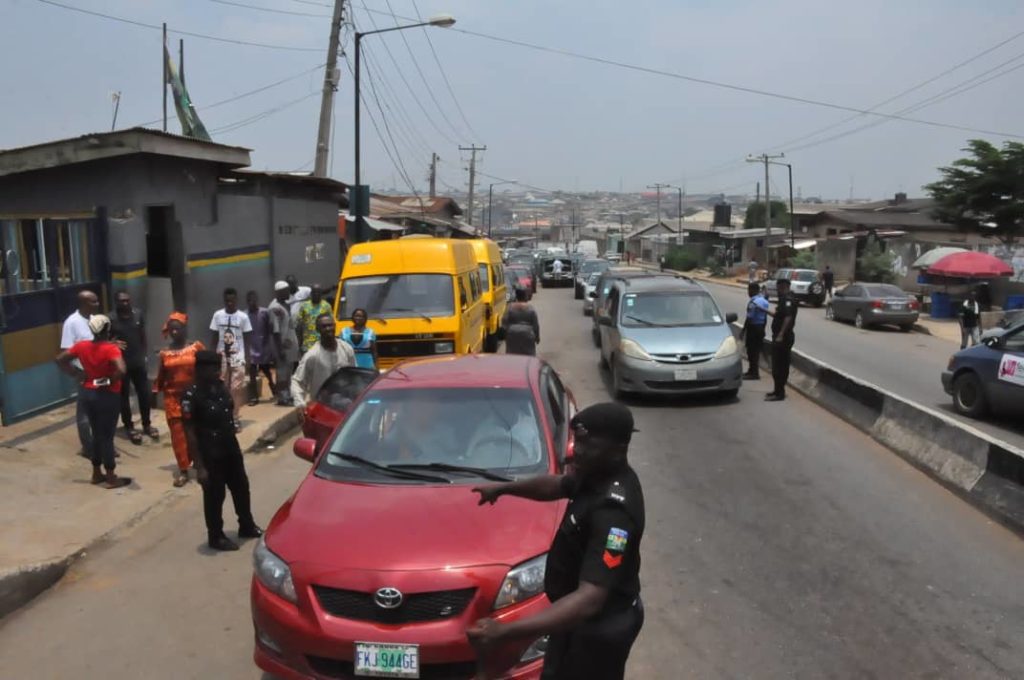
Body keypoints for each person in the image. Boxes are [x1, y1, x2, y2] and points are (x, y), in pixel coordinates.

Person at [467, 403, 645, 680]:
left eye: (588, 444)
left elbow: (590, 599)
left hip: (597, 630)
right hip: (573, 622)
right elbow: (558, 486)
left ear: (618, 448)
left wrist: (505, 632)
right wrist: (504, 488)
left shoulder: (613, 513)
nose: (576, 451)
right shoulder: (594, 474)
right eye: (577, 442)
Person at [181, 351, 262, 552]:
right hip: (209, 452)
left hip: (230, 447)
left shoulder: (220, 388)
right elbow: (189, 432)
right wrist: (199, 466)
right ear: (200, 369)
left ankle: (246, 525)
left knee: (241, 487)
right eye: (213, 368)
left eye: (219, 367)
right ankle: (215, 536)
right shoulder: (191, 394)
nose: (218, 371)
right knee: (214, 495)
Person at [55, 314, 131, 489]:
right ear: (107, 329)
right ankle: (111, 476)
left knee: (96, 433)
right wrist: (109, 380)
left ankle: (96, 473)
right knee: (107, 436)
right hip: (107, 395)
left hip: (88, 392)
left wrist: (76, 373)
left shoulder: (82, 346)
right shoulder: (111, 350)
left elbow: (60, 359)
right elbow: (121, 369)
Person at [154, 313, 205, 487]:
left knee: (197, 432)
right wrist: (156, 392)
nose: (175, 332)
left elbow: (207, 367)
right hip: (173, 398)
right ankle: (183, 470)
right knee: (178, 435)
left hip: (195, 396)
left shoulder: (196, 348)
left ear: (184, 329)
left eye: (178, 328)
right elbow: (161, 376)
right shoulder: (165, 354)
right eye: (172, 329)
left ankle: (200, 465)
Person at [110, 291, 157, 445]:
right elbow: (104, 341)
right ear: (116, 302)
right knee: (123, 397)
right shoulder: (110, 319)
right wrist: (112, 344)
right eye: (122, 301)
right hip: (121, 365)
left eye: (127, 300)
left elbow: (143, 336)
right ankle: (129, 426)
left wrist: (144, 354)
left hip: (138, 362)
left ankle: (147, 424)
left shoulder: (138, 315)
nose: (125, 303)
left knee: (144, 394)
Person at [61, 290, 100, 457]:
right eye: (93, 302)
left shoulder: (95, 320)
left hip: (99, 373)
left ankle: (103, 444)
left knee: (101, 411)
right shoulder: (72, 323)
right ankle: (88, 448)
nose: (97, 304)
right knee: (84, 414)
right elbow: (65, 352)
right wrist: (76, 373)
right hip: (85, 375)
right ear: (84, 304)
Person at [291, 314, 356, 407]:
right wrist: (300, 404)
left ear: (335, 326)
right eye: (324, 326)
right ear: (317, 329)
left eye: (330, 325)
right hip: (322, 406)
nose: (328, 328)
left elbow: (354, 375)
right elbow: (297, 381)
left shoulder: (347, 349)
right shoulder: (312, 355)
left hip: (346, 405)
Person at [209, 287, 252, 426]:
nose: (230, 303)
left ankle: (234, 417)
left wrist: (249, 359)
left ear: (236, 300)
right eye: (227, 301)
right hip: (221, 358)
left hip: (238, 358)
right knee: (222, 388)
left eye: (232, 301)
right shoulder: (217, 315)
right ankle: (223, 415)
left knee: (235, 389)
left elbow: (247, 339)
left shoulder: (243, 317)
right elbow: (214, 337)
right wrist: (212, 357)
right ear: (224, 300)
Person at [766, 278, 798, 402]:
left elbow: (788, 317)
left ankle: (780, 393)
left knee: (780, 366)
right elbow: (779, 315)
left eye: (778, 287)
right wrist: (764, 310)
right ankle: (777, 390)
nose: (777, 290)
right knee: (776, 365)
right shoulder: (784, 299)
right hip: (780, 337)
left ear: (784, 286)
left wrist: (781, 334)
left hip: (783, 338)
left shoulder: (788, 299)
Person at [269, 281, 299, 406]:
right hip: (282, 346)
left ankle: (287, 394)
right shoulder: (274, 308)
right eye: (286, 290)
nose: (288, 293)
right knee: (282, 373)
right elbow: (275, 331)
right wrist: (280, 349)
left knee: (288, 373)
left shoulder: (285, 305)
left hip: (290, 346)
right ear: (279, 292)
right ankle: (282, 397)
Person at [245, 291, 275, 406]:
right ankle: (254, 397)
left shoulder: (264, 312)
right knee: (252, 373)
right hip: (251, 347)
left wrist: (269, 346)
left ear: (257, 300)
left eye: (254, 300)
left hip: (263, 345)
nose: (252, 303)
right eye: (249, 301)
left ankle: (273, 386)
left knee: (266, 369)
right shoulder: (245, 314)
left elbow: (270, 329)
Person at [294, 283, 333, 355]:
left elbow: (331, 325)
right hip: (307, 344)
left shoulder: (327, 306)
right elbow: (299, 326)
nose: (316, 294)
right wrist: (299, 344)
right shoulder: (304, 306)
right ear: (311, 293)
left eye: (318, 292)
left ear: (321, 293)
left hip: (323, 344)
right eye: (314, 292)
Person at [501, 287, 541, 356]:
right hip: (527, 335)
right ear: (525, 297)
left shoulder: (510, 308)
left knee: (512, 356)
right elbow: (535, 325)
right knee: (529, 357)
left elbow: (504, 321)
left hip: (512, 335)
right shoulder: (531, 309)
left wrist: (505, 334)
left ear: (516, 297)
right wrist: (537, 337)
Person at [742, 282, 769, 380]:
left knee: (751, 351)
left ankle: (753, 372)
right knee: (756, 351)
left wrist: (743, 330)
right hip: (760, 327)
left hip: (753, 328)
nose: (748, 292)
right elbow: (765, 317)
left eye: (749, 290)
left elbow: (750, 317)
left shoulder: (754, 302)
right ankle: (752, 371)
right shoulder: (764, 301)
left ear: (753, 290)